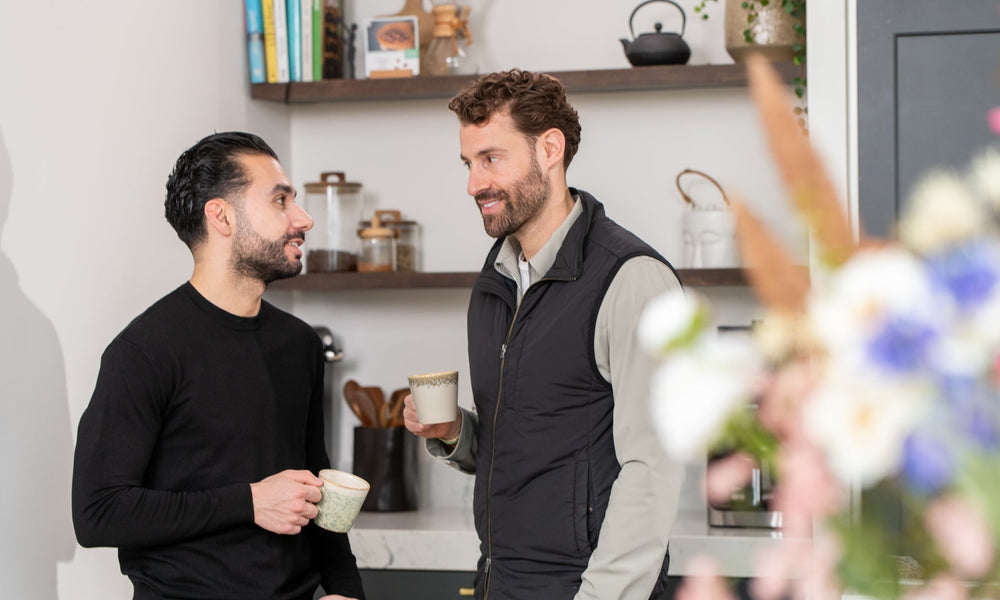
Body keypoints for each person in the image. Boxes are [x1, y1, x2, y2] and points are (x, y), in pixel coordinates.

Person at [403, 69, 685, 599]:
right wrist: (454, 433)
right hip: (500, 582)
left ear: (549, 149)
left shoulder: (632, 279)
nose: (473, 185)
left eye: (491, 158)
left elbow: (652, 470)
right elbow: (524, 442)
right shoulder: (497, 281)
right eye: (468, 163)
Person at [72, 132, 366, 600]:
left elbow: (317, 485)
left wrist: (346, 589)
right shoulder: (144, 351)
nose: (303, 219)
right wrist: (249, 501)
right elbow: (97, 513)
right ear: (221, 216)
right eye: (281, 200)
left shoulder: (299, 344)